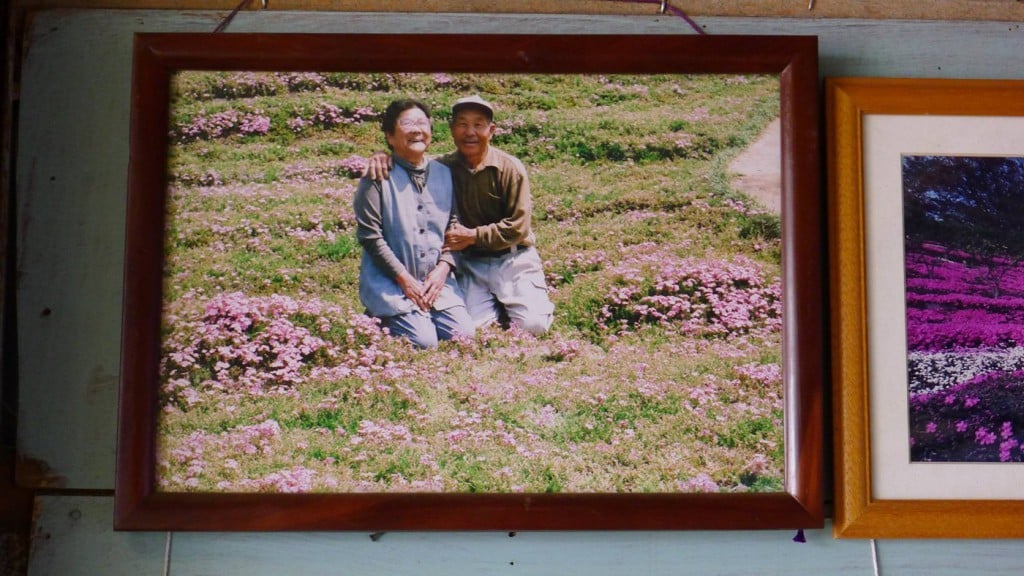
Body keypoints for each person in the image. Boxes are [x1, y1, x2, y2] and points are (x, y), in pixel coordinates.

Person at [367, 95, 554, 335]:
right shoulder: (442, 168)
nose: (470, 132)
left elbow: (518, 227)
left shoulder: (510, 167)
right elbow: (411, 160)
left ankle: (517, 299)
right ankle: (500, 303)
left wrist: (474, 235)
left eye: (478, 124)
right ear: (452, 129)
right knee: (469, 330)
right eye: (462, 124)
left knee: (534, 327)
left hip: (513, 259)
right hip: (470, 262)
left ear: (492, 130)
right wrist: (383, 155)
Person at [353, 99, 474, 348]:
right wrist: (404, 279)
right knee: (425, 342)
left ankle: (423, 311)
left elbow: (454, 224)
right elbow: (370, 236)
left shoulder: (444, 171)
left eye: (422, 123)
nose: (417, 129)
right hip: (392, 282)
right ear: (390, 136)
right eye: (407, 123)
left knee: (464, 335)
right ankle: (380, 315)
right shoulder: (376, 175)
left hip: (435, 281)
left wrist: (443, 268)